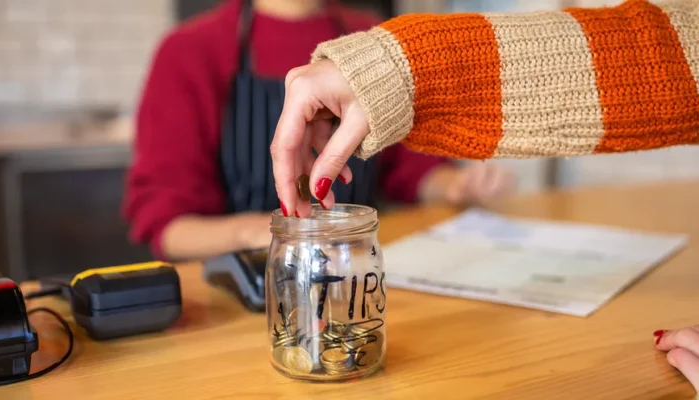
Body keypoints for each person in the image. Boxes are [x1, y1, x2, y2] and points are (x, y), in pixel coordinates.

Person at [267, 0, 699, 391]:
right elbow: (664, 57)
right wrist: (397, 73)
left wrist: (398, 78)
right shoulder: (204, 46)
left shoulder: (359, 23)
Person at [123, 0, 516, 263]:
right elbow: (169, 227)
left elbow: (408, 170)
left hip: (354, 273)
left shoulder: (375, 40)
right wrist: (264, 231)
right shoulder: (189, 52)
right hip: (247, 294)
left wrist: (455, 186)